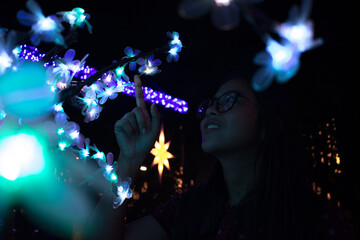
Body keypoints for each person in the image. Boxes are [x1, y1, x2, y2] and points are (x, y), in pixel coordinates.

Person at [91, 73, 358, 240]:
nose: (211, 111)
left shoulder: (315, 220)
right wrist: (129, 161)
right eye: (209, 104)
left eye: (229, 100)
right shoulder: (188, 209)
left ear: (269, 125)